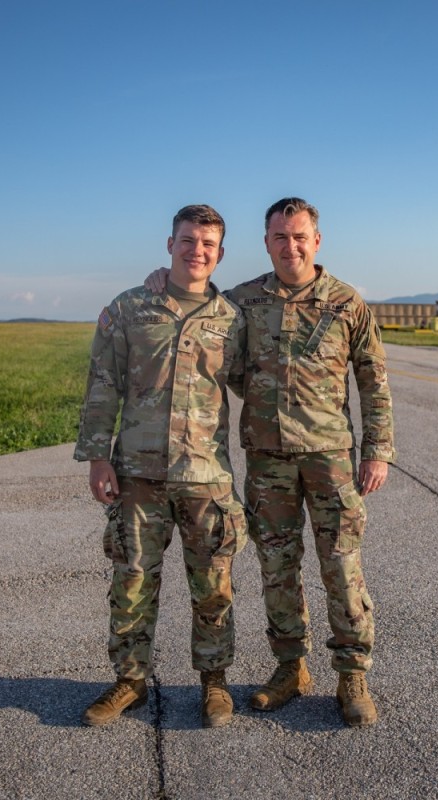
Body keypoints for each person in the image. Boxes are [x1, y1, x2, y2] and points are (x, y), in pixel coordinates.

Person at [145, 197, 395, 727]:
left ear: (317, 240)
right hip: (267, 461)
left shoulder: (346, 302)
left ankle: (352, 674)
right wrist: (160, 280)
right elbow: (201, 314)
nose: (291, 246)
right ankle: (290, 667)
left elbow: (373, 381)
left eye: (300, 236)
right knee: (277, 569)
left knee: (341, 567)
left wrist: (377, 450)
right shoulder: (243, 301)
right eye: (280, 237)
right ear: (266, 242)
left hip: (330, 460)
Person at [75, 204, 247, 729]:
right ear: (170, 244)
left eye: (208, 244)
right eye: (188, 240)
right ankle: (129, 682)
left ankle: (214, 683)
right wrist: (98, 458)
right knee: (131, 582)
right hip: (137, 475)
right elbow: (103, 383)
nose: (197, 251)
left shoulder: (233, 319)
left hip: (205, 477)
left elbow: (257, 385)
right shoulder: (130, 308)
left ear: (220, 254)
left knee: (213, 587)